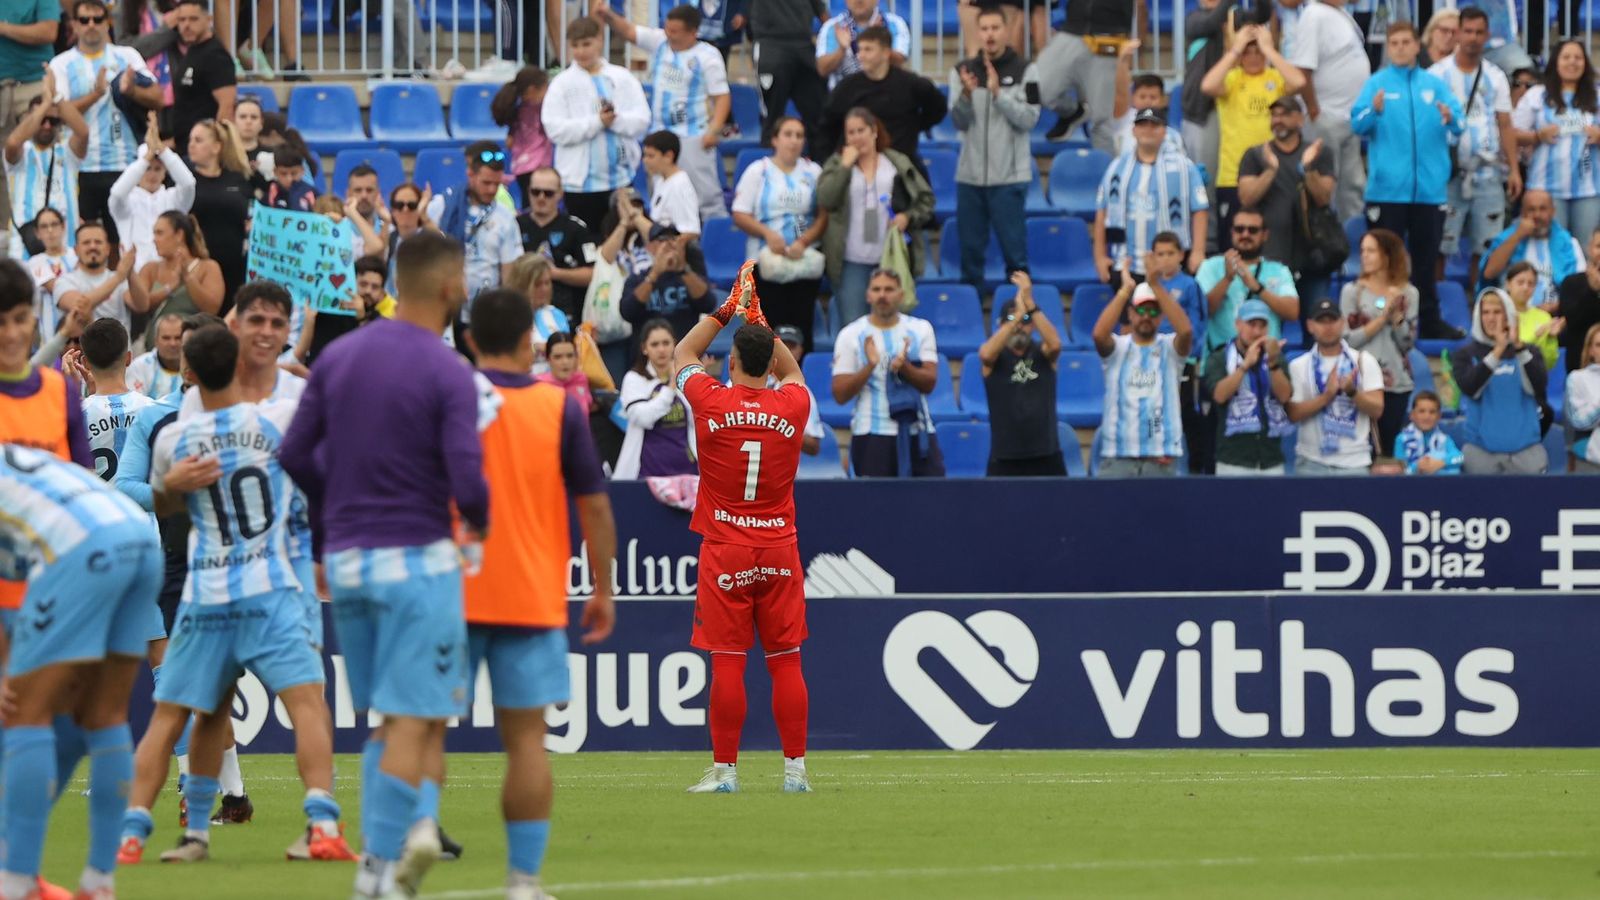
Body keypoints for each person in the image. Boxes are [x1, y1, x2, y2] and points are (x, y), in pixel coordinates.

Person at [279, 231, 488, 900]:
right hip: (418, 558)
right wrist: (479, 522)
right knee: (409, 720)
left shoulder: (339, 357)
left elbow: (293, 454)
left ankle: (393, 848)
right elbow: (469, 480)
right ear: (452, 287)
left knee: (381, 719)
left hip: (346, 560)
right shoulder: (448, 369)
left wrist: (333, 502)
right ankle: (377, 871)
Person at [145, 324, 354, 865]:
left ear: (185, 372)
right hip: (273, 584)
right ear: (239, 364)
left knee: (192, 709)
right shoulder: (277, 420)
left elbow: (163, 504)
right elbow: (327, 446)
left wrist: (171, 487)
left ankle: (169, 835)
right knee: (307, 704)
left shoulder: (172, 439)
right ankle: (323, 823)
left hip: (209, 587)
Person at [460, 289, 616, 898]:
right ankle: (523, 881)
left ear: (470, 342)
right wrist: (603, 588)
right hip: (530, 593)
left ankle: (397, 860)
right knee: (527, 741)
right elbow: (596, 506)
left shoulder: (449, 401)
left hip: (455, 589)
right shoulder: (559, 408)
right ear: (531, 341)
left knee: (417, 730)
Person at [671, 266, 813, 793]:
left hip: (726, 549)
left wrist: (727, 310)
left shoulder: (711, 400)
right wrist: (761, 321)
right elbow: (793, 372)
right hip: (779, 547)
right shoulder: (793, 404)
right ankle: (795, 771)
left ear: (730, 362)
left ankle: (726, 772)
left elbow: (682, 357)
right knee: (785, 661)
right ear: (769, 362)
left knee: (728, 661)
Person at [0, 443, 161, 900]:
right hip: (137, 537)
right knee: (106, 715)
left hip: (80, 549)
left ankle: (15, 883)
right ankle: (98, 882)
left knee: (24, 713)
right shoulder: (12, 455)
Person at [1351, 22, 1465, 342]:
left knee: (1426, 262)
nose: (1400, 47)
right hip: (1387, 192)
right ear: (1388, 47)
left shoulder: (1435, 85)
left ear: (1418, 46)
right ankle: (1374, 317)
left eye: (1405, 42)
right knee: (1382, 261)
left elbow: (1460, 124)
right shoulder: (1377, 84)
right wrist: (1373, 112)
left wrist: (1450, 117)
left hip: (1428, 193)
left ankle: (1427, 320)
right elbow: (1356, 124)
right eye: (1394, 42)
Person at [593, 1, 731, 223]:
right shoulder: (660, 42)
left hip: (692, 135)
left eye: (675, 31)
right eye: (667, 28)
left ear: (693, 32)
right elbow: (629, 31)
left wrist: (713, 130)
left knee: (705, 197)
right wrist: (606, 14)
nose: (669, 35)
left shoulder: (708, 56)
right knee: (661, 194)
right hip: (659, 134)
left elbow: (722, 96)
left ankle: (715, 245)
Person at [47, 0, 161, 248]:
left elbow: (157, 96)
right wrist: (95, 95)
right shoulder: (61, 64)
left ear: (107, 23)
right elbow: (58, 112)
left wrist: (131, 91)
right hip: (81, 168)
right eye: (84, 20)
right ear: (74, 25)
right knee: (85, 243)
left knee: (125, 243)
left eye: (97, 19)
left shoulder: (127, 56)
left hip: (126, 164)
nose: (91, 25)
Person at [950, 7, 1040, 294]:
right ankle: (972, 318)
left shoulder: (1028, 70)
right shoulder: (963, 71)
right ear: (978, 33)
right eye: (985, 28)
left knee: (1016, 257)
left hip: (1010, 179)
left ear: (1006, 30)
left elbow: (1030, 119)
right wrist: (966, 94)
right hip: (970, 179)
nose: (990, 34)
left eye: (995, 28)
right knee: (970, 256)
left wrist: (998, 94)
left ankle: (1022, 320)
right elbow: (958, 122)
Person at [817, 107, 934, 324]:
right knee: (852, 325)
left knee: (894, 324)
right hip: (851, 260)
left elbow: (926, 200)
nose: (856, 137)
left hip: (890, 258)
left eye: (861, 130)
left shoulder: (896, 162)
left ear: (874, 131)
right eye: (850, 132)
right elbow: (826, 199)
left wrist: (907, 217)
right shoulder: (838, 163)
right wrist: (844, 166)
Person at [1430, 7, 1521, 279]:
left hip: (1488, 173)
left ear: (1487, 35)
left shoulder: (1496, 76)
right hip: (1448, 175)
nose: (1472, 37)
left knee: (1486, 246)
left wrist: (1514, 168)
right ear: (1457, 33)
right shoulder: (1436, 75)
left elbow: (1505, 124)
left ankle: (1480, 303)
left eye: (1479, 32)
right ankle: (1440, 303)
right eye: (1467, 31)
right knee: (1440, 246)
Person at [542, 16, 650, 238]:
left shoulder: (623, 78)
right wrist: (597, 123)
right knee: (587, 244)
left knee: (623, 243)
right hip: (579, 186)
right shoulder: (561, 84)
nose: (581, 51)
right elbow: (555, 129)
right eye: (575, 45)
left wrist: (615, 121)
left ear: (600, 40)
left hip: (621, 179)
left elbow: (641, 121)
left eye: (586, 44)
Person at [831, 268, 943, 477]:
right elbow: (840, 394)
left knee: (930, 503)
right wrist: (869, 366)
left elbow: (930, 383)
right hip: (872, 432)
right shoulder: (851, 334)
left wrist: (905, 368)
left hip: (918, 431)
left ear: (901, 295)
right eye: (877, 289)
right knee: (875, 506)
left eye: (889, 289)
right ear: (868, 295)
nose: (882, 295)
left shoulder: (920, 329)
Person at [1201, 24, 1304, 249]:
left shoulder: (1275, 77)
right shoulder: (1232, 78)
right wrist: (1235, 50)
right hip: (1232, 177)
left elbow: (1298, 82)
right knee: (1233, 245)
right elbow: (1208, 85)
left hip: (1271, 175)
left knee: (1271, 245)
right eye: (1248, 51)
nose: (1254, 57)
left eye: (1258, 51)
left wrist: (1270, 51)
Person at [731, 116, 827, 350]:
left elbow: (825, 215)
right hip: (765, 262)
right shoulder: (758, 171)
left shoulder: (814, 171)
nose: (793, 141)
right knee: (766, 330)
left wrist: (804, 241)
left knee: (801, 329)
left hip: (802, 260)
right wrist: (767, 234)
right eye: (788, 134)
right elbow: (740, 213)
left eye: (799, 135)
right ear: (775, 139)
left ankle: (799, 383)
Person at [1093, 266, 1193, 477]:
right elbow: (1099, 335)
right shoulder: (1117, 348)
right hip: (1118, 458)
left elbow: (1185, 331)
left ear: (1161, 316)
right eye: (1140, 310)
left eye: (1154, 311)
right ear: (1130, 313)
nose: (1146, 316)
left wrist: (1156, 285)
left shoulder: (1170, 349)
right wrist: (1124, 291)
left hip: (1160, 460)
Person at [1093, 107, 1210, 283]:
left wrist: (1198, 251)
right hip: (1126, 264)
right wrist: (1100, 257)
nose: (1147, 130)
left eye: (1154, 125)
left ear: (1164, 130)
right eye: (1142, 125)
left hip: (1172, 267)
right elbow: (1102, 211)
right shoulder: (1117, 168)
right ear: (1133, 130)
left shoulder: (1185, 168)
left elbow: (1200, 209)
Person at [1287, 0, 1372, 221]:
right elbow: (1302, 69)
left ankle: (1350, 248)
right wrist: (1314, 111)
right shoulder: (1314, 14)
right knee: (1323, 190)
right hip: (1325, 117)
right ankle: (1322, 247)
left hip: (1348, 118)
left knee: (1351, 190)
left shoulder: (1341, 14)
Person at [1450, 287, 1548, 473]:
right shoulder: (1465, 354)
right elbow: (1470, 387)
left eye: (1497, 312)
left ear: (1509, 315)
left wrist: (1518, 347)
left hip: (1526, 452)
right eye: (1485, 312)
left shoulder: (1529, 352)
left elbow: (1538, 387)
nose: (1491, 318)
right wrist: (1497, 351)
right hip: (1480, 453)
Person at [1239, 100, 1336, 287]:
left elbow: (1323, 198)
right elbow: (1246, 199)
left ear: (1300, 119)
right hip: (1270, 257)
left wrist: (1307, 169)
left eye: (1285, 114)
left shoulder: (1319, 153)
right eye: (1274, 115)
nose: (1278, 120)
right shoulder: (1255, 155)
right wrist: (1269, 171)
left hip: (1312, 256)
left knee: (1314, 313)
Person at [1340, 228, 1419, 452]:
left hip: (1395, 381)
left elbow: (1407, 343)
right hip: (1360, 381)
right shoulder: (1352, 292)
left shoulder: (1409, 293)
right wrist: (1382, 319)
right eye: (1363, 250)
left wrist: (1396, 319)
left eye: (1371, 251)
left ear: (1387, 255)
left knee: (1387, 449)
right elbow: (1347, 340)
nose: (1364, 255)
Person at [1286, 296, 1386, 474]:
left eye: (1332, 320)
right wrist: (1326, 397)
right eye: (1321, 321)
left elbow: (1377, 409)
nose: (1328, 327)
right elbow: (1293, 414)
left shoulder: (1364, 361)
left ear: (1343, 323)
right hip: (1311, 461)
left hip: (1355, 462)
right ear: (1310, 326)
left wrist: (1352, 392)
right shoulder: (1299, 365)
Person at [1513, 40, 1600, 244]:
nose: (1572, 62)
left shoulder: (1596, 96)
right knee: (1548, 248)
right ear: (1555, 62)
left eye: (1578, 58)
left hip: (1589, 190)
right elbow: (1512, 134)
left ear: (1585, 63)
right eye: (1566, 57)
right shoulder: (1536, 96)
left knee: (1587, 250)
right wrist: (1537, 136)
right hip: (1545, 188)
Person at [980, 270, 1065, 476]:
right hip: (1005, 457)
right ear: (1001, 325)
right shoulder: (994, 357)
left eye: (1026, 321)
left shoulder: (1042, 353)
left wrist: (1030, 303)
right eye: (1010, 320)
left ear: (1034, 326)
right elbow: (985, 354)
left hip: (1046, 454)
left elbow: (1055, 344)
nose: (1019, 325)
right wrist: (1018, 315)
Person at [820, 26, 946, 163]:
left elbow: (938, 109)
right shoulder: (847, 87)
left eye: (868, 49)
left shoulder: (912, 84)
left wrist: (912, 126)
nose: (860, 56)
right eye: (860, 49)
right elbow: (828, 124)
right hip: (857, 167)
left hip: (900, 166)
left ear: (886, 53)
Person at [426, 142, 524, 315]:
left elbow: (510, 273)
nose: (491, 189)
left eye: (497, 184)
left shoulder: (505, 218)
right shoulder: (442, 206)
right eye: (486, 183)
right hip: (445, 307)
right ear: (470, 175)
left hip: (487, 312)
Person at [1205, 298, 1293, 475]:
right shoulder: (1219, 358)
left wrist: (1273, 364)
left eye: (1262, 326)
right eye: (1251, 324)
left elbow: (1284, 397)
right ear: (1238, 324)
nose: (1257, 331)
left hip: (1271, 459)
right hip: (1233, 460)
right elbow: (1219, 395)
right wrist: (1244, 366)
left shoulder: (1276, 357)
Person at [1196, 206, 1299, 355]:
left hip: (1265, 358)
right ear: (1232, 233)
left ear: (1265, 235)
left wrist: (1257, 288)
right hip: (1220, 359)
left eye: (1253, 230)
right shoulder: (1211, 266)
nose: (1245, 234)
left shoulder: (1279, 270)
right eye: (1239, 229)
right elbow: (1201, 312)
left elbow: (1292, 312)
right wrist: (1227, 279)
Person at [5, 72, 89, 254]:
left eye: (53, 120)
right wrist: (45, 104)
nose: (47, 126)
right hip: (26, 248)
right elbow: (12, 143)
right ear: (30, 118)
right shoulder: (21, 152)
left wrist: (56, 96)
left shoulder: (67, 152)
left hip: (67, 248)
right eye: (42, 120)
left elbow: (83, 133)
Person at [1035, 0, 1133, 154]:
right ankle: (1073, 112)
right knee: (1037, 87)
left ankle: (1107, 172)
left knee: (1101, 120)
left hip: (1109, 37)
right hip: (1072, 30)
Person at [613, 318, 696, 480]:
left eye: (666, 343)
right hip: (648, 474)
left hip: (689, 472)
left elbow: (699, 419)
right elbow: (642, 417)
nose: (661, 349)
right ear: (644, 348)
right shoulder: (634, 379)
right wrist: (671, 388)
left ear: (675, 345)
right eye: (655, 344)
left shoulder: (688, 376)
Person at [109, 114, 195, 267]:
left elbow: (188, 184)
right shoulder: (126, 203)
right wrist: (147, 157)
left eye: (157, 169)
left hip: (170, 274)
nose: (152, 174)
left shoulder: (174, 200)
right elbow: (117, 193)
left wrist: (162, 150)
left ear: (165, 172)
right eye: (147, 168)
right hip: (134, 277)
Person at [127, 212, 224, 346]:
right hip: (154, 351)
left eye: (159, 233)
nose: (154, 239)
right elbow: (142, 304)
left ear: (179, 235)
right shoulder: (151, 269)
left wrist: (188, 278)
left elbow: (211, 309)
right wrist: (170, 287)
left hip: (194, 347)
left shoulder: (207, 267)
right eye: (154, 233)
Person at [745, 0, 827, 158]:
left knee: (818, 116)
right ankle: (769, 176)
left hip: (804, 44)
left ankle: (820, 171)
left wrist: (831, 29)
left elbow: (819, 7)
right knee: (772, 117)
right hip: (770, 44)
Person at [183, 119, 251, 308]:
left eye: (198, 140)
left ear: (216, 147)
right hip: (198, 266)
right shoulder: (185, 181)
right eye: (190, 140)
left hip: (234, 265)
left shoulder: (237, 179)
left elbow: (252, 213)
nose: (191, 145)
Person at [515, 166, 596, 324]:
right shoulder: (515, 226)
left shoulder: (576, 228)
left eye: (548, 193)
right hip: (523, 315)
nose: (541, 197)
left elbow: (592, 274)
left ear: (560, 194)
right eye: (535, 192)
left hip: (568, 315)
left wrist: (555, 273)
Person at [1480, 189, 1586, 305]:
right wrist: (1518, 235)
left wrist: (1558, 306)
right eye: (1531, 209)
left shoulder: (1569, 243)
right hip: (1513, 313)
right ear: (1522, 213)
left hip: (1556, 314)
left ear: (1553, 212)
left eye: (1542, 209)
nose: (1537, 215)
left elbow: (1580, 287)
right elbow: (1489, 273)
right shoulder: (1507, 239)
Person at [619, 222, 713, 347]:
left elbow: (708, 304)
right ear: (649, 247)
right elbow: (627, 312)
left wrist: (682, 270)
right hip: (648, 357)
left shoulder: (691, 276)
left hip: (685, 353)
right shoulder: (636, 279)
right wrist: (654, 274)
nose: (669, 243)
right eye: (662, 239)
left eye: (674, 239)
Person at [167, 0, 236, 160]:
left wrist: (215, 149)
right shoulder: (192, 52)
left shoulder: (215, 55)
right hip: (185, 148)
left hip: (204, 155)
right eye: (182, 20)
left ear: (209, 19)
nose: (186, 25)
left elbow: (226, 107)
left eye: (193, 19)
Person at [55, 219, 145, 331]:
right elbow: (80, 306)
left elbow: (142, 305)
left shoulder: (121, 279)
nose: (92, 247)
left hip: (120, 348)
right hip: (84, 348)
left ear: (108, 249)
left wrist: (130, 271)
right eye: (86, 243)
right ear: (76, 250)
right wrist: (118, 277)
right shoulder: (64, 281)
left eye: (98, 242)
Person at [1180, 0, 1231, 174]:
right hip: (1203, 112)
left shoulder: (1232, 15)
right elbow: (1210, 23)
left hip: (1235, 107)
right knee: (1203, 177)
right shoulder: (1193, 18)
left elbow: (1260, 15)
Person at [492, 67, 553, 205]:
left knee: (529, 204)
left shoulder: (518, 109)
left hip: (521, 167)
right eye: (546, 87)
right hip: (537, 165)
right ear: (532, 89)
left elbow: (510, 140)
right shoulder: (540, 108)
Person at [816, 0, 909, 90]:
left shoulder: (895, 23)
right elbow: (823, 69)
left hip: (885, 95)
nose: (859, 0)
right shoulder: (832, 26)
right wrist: (841, 50)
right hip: (844, 98)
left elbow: (899, 62)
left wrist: (878, 43)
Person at [503, 253, 568, 373]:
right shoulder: (507, 318)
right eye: (537, 284)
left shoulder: (557, 315)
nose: (544, 289)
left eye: (547, 283)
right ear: (522, 285)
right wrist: (535, 348)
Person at [1503, 259, 1563, 371]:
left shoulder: (1544, 317)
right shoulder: (1499, 314)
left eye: (1531, 284)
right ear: (1508, 284)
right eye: (1520, 282)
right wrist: (1536, 336)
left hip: (1533, 379)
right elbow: (1508, 355)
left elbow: (1548, 364)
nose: (1525, 288)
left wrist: (1550, 338)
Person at [641, 130, 701, 241]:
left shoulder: (680, 185)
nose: (645, 161)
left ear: (668, 156)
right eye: (645, 155)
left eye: (651, 156)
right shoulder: (660, 180)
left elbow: (690, 232)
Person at [1556, 229, 1600, 373]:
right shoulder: (1571, 283)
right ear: (1589, 248)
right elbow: (1571, 321)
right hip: (1580, 371)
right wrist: (1592, 291)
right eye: (1599, 246)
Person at [24, 208, 75, 330]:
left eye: (54, 224)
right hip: (51, 334)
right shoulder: (35, 262)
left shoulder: (76, 255)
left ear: (63, 226)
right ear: (37, 233)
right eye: (44, 226)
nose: (50, 230)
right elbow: (57, 289)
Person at [1395, 389, 1464, 474]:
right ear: (1412, 415)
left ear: (1439, 416)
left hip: (1439, 481)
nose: (1427, 416)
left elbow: (1460, 458)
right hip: (1412, 482)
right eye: (1422, 411)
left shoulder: (1445, 440)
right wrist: (1418, 466)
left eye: (1432, 412)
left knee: (1448, 464)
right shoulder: (1401, 439)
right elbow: (1400, 470)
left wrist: (1440, 463)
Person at [1566, 322, 1600, 472]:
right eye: (1599, 345)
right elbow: (1579, 422)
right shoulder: (1578, 378)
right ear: (1590, 350)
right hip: (1592, 454)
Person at [127, 311, 185, 397]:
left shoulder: (198, 366)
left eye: (178, 338)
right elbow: (135, 406)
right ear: (156, 341)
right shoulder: (139, 366)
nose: (173, 343)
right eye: (166, 338)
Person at [536, 331, 595, 412]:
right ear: (548, 359)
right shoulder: (537, 385)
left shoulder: (581, 379)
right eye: (558, 357)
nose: (565, 362)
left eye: (570, 356)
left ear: (576, 357)